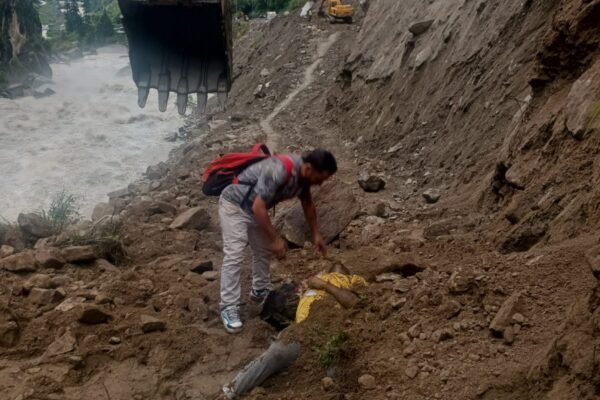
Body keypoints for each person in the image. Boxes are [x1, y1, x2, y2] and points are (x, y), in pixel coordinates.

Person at [219, 149, 338, 334]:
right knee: (234, 253)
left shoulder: (304, 179)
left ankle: (260, 290)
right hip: (235, 205)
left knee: (262, 251)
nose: (320, 183)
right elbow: (259, 208)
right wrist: (275, 239)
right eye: (320, 178)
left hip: (254, 209)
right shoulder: (280, 171)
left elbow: (308, 204)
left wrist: (316, 234)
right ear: (309, 168)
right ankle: (228, 306)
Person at [222, 262, 367, 399]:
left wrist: (324, 285)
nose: (337, 268)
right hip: (301, 332)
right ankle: (231, 391)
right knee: (276, 353)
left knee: (333, 376)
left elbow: (354, 302)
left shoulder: (352, 280)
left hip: (328, 336)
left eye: (339, 271)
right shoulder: (312, 283)